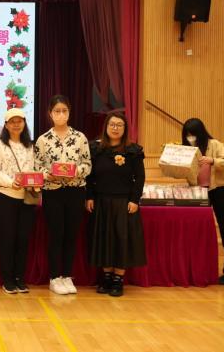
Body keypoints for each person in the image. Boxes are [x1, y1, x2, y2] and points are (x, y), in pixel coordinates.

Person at [34, 95, 91, 295]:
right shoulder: (43, 139)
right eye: (57, 111)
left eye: (64, 111)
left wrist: (75, 171)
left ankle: (67, 276)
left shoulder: (80, 137)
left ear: (69, 112)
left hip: (75, 191)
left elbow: (87, 164)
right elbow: (37, 166)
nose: (61, 114)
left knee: (71, 234)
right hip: (53, 192)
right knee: (56, 234)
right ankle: (54, 277)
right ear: (50, 113)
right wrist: (47, 174)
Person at [86, 111, 146, 297]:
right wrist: (89, 197)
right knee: (104, 239)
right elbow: (89, 176)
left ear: (125, 128)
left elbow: (139, 178)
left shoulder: (133, 150)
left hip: (124, 202)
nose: (115, 128)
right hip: (101, 201)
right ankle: (106, 277)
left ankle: (118, 279)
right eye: (112, 124)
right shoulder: (95, 148)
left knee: (121, 240)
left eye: (119, 125)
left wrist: (134, 200)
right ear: (106, 127)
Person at [0, 108, 37, 294]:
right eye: (12, 121)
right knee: (7, 239)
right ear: (6, 125)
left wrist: (34, 182)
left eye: (20, 121)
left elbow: (33, 169)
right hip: (5, 196)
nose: (16, 124)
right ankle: (7, 279)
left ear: (24, 123)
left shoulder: (29, 145)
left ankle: (19, 278)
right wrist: (11, 183)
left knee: (23, 239)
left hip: (26, 197)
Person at [181, 118, 224, 285]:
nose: (191, 138)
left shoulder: (214, 144)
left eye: (193, 134)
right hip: (197, 192)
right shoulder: (186, 149)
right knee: (197, 232)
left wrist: (213, 161)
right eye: (188, 135)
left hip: (218, 190)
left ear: (201, 133)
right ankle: (198, 271)